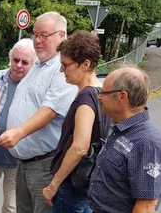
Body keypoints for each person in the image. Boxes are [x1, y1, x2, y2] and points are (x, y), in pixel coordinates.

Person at [0, 11, 78, 213]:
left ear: (62, 35)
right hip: (23, 163)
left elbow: (50, 110)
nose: (38, 40)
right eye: (35, 34)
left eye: (44, 35)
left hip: (44, 164)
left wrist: (18, 132)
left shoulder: (62, 68)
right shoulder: (37, 65)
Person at [41, 31, 109, 212]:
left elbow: (80, 147)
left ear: (85, 64)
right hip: (90, 183)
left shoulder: (86, 98)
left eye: (65, 65)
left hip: (72, 186)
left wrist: (53, 185)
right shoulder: (103, 93)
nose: (62, 70)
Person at [88, 66, 161, 213]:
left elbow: (146, 205)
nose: (99, 97)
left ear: (122, 96)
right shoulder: (120, 128)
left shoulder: (148, 142)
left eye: (103, 93)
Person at [0, 38, 37, 213]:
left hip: (17, 159)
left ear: (33, 64)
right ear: (10, 59)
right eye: (16, 60)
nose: (19, 65)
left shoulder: (35, 87)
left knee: (11, 207)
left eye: (25, 62)